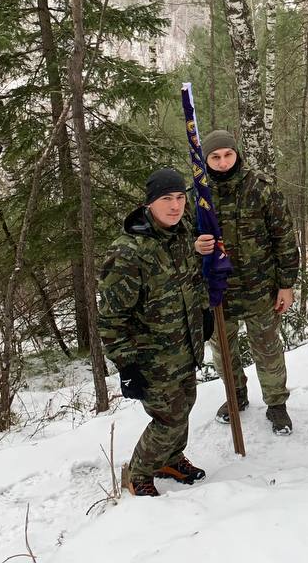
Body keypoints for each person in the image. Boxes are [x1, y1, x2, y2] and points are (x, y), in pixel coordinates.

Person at [98, 168, 210, 497]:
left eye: (179, 198)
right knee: (169, 419)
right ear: (149, 203)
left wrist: (203, 312)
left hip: (184, 347)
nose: (175, 206)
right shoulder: (128, 252)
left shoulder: (182, 233)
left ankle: (169, 459)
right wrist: (126, 365)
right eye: (166, 199)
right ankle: (139, 474)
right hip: (152, 357)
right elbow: (112, 317)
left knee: (185, 405)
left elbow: (194, 279)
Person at [198, 130, 299, 435]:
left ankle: (276, 403)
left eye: (228, 155)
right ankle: (236, 394)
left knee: (268, 350)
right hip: (219, 292)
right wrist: (195, 247)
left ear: (237, 154)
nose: (222, 162)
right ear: (206, 159)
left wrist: (286, 284)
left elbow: (284, 238)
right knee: (223, 351)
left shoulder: (261, 189)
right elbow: (181, 240)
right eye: (215, 157)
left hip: (260, 289)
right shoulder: (198, 196)